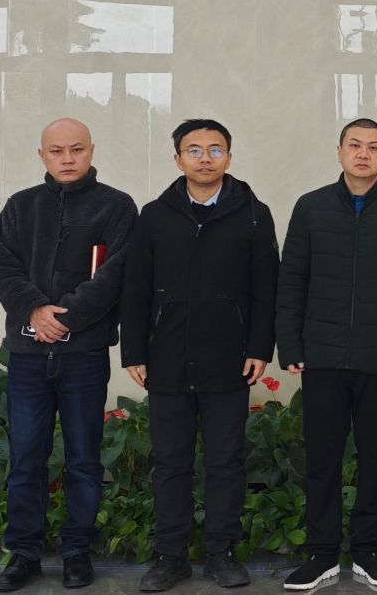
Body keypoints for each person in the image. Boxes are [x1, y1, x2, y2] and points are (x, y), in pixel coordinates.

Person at [120, 119, 278, 592]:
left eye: (215, 149)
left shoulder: (253, 214)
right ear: (177, 159)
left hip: (229, 358)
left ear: (229, 157)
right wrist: (134, 350)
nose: (205, 158)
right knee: (170, 461)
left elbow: (266, 288)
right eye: (194, 150)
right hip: (166, 358)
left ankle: (221, 554)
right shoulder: (154, 215)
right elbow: (135, 287)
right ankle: (170, 557)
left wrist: (259, 347)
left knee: (226, 461)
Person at [275, 118, 377, 591]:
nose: (364, 154)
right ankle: (321, 553)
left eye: (374, 147)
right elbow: (292, 279)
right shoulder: (312, 207)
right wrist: (291, 344)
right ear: (339, 150)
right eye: (355, 145)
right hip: (322, 356)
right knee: (321, 458)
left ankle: (368, 551)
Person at [0, 118, 137, 592]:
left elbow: (115, 274)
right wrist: (35, 310)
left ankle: (76, 551)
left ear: (92, 150)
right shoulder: (20, 206)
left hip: (84, 356)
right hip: (27, 356)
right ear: (42, 155)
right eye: (56, 151)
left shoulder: (117, 206)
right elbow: (3, 266)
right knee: (25, 457)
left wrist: (66, 317)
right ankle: (24, 553)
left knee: (84, 458)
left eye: (76, 149)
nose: (67, 158)